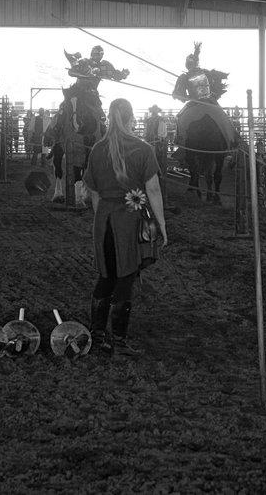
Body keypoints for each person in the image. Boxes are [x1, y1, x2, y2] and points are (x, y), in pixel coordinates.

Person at [83, 99, 167, 356]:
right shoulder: (142, 149)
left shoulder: (97, 149)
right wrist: (161, 225)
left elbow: (93, 192)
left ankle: (97, 336)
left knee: (106, 275)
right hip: (130, 219)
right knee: (126, 276)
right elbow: (152, 189)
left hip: (104, 219)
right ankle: (119, 339)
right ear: (132, 119)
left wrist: (103, 218)